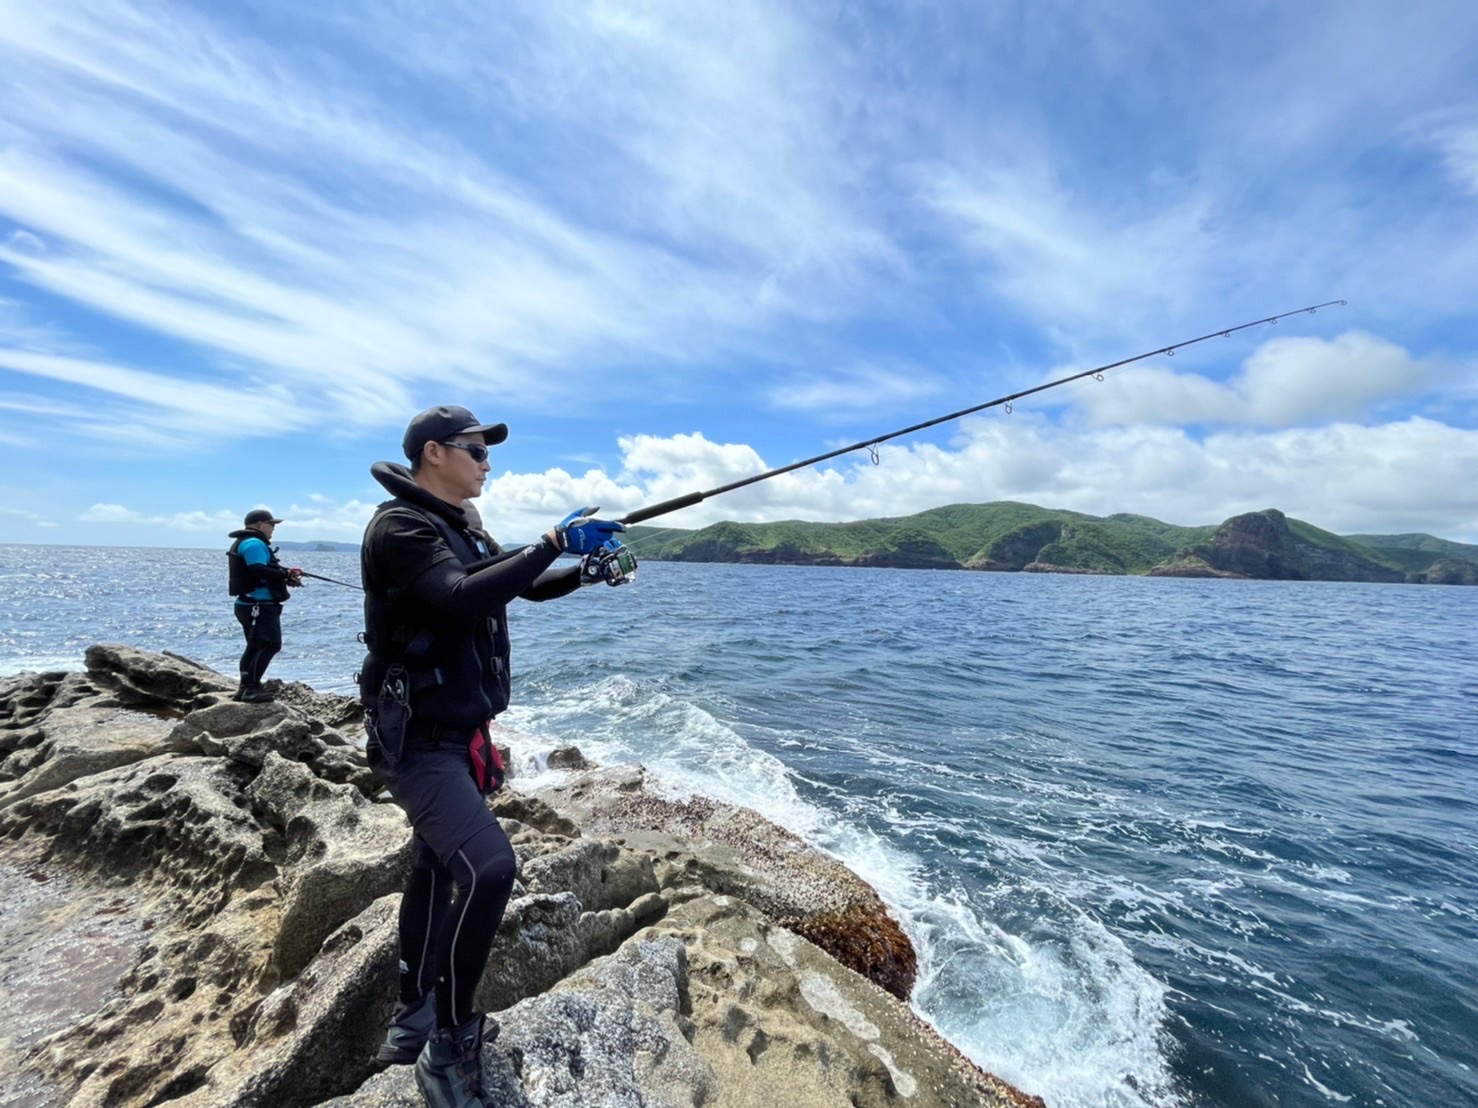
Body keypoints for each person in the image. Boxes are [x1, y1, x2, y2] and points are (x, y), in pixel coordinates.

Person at [359, 404, 634, 1108]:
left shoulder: (463, 528)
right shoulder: (401, 528)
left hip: (459, 733)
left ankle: (413, 1005)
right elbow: (456, 597)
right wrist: (550, 538)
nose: (487, 461)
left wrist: (581, 567)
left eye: (486, 450)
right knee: (490, 868)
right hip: (417, 740)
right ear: (433, 454)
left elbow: (518, 584)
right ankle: (449, 1042)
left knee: (433, 864)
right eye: (476, 450)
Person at [226, 508, 302, 702]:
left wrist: (285, 573)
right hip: (258, 605)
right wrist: (285, 575)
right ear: (259, 524)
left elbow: (262, 570)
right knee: (271, 645)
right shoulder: (253, 543)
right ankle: (252, 688)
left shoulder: (245, 542)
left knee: (254, 646)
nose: (273, 529)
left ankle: (245, 688)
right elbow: (258, 569)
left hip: (248, 604)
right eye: (272, 524)